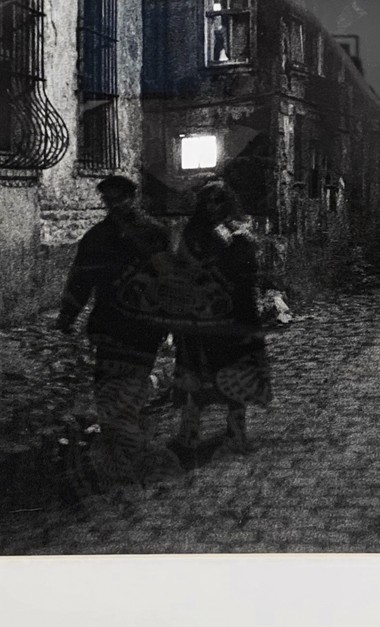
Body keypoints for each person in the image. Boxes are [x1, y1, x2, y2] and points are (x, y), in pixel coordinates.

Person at [57, 175, 171, 485]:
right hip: (110, 325)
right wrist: (68, 313)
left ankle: (129, 456)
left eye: (121, 198)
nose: (116, 205)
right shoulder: (96, 237)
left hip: (145, 326)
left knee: (132, 389)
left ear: (134, 197)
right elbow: (81, 279)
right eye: (109, 200)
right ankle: (120, 456)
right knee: (107, 390)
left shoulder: (155, 234)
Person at [171, 180, 270, 453]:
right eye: (208, 201)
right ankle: (189, 433)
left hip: (236, 312)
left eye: (219, 201)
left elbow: (250, 269)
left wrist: (241, 242)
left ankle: (237, 433)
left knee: (238, 371)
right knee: (196, 372)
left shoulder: (239, 230)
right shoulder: (193, 232)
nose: (213, 207)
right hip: (202, 313)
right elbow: (182, 268)